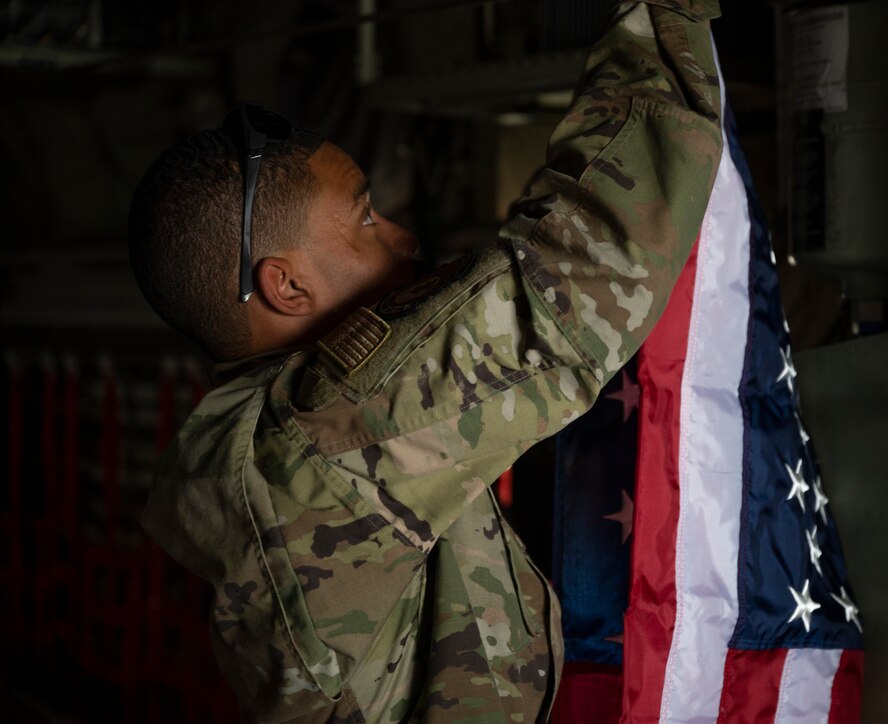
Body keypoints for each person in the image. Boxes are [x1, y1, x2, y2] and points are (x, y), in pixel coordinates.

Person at [130, 0, 723, 720]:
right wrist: (664, 16)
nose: (403, 238)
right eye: (366, 219)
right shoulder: (319, 444)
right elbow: (578, 278)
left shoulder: (278, 440)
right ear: (285, 285)